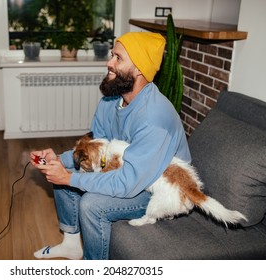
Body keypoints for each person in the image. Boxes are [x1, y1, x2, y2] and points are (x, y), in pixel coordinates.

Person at [30, 31, 191, 260]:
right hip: (129, 173)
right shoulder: (110, 101)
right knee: (63, 172)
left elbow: (129, 182)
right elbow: (95, 150)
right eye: (112, 56)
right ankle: (71, 244)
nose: (109, 63)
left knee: (91, 204)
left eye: (118, 58)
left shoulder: (154, 118)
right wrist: (57, 160)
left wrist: (70, 179)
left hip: (161, 189)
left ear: (139, 70)